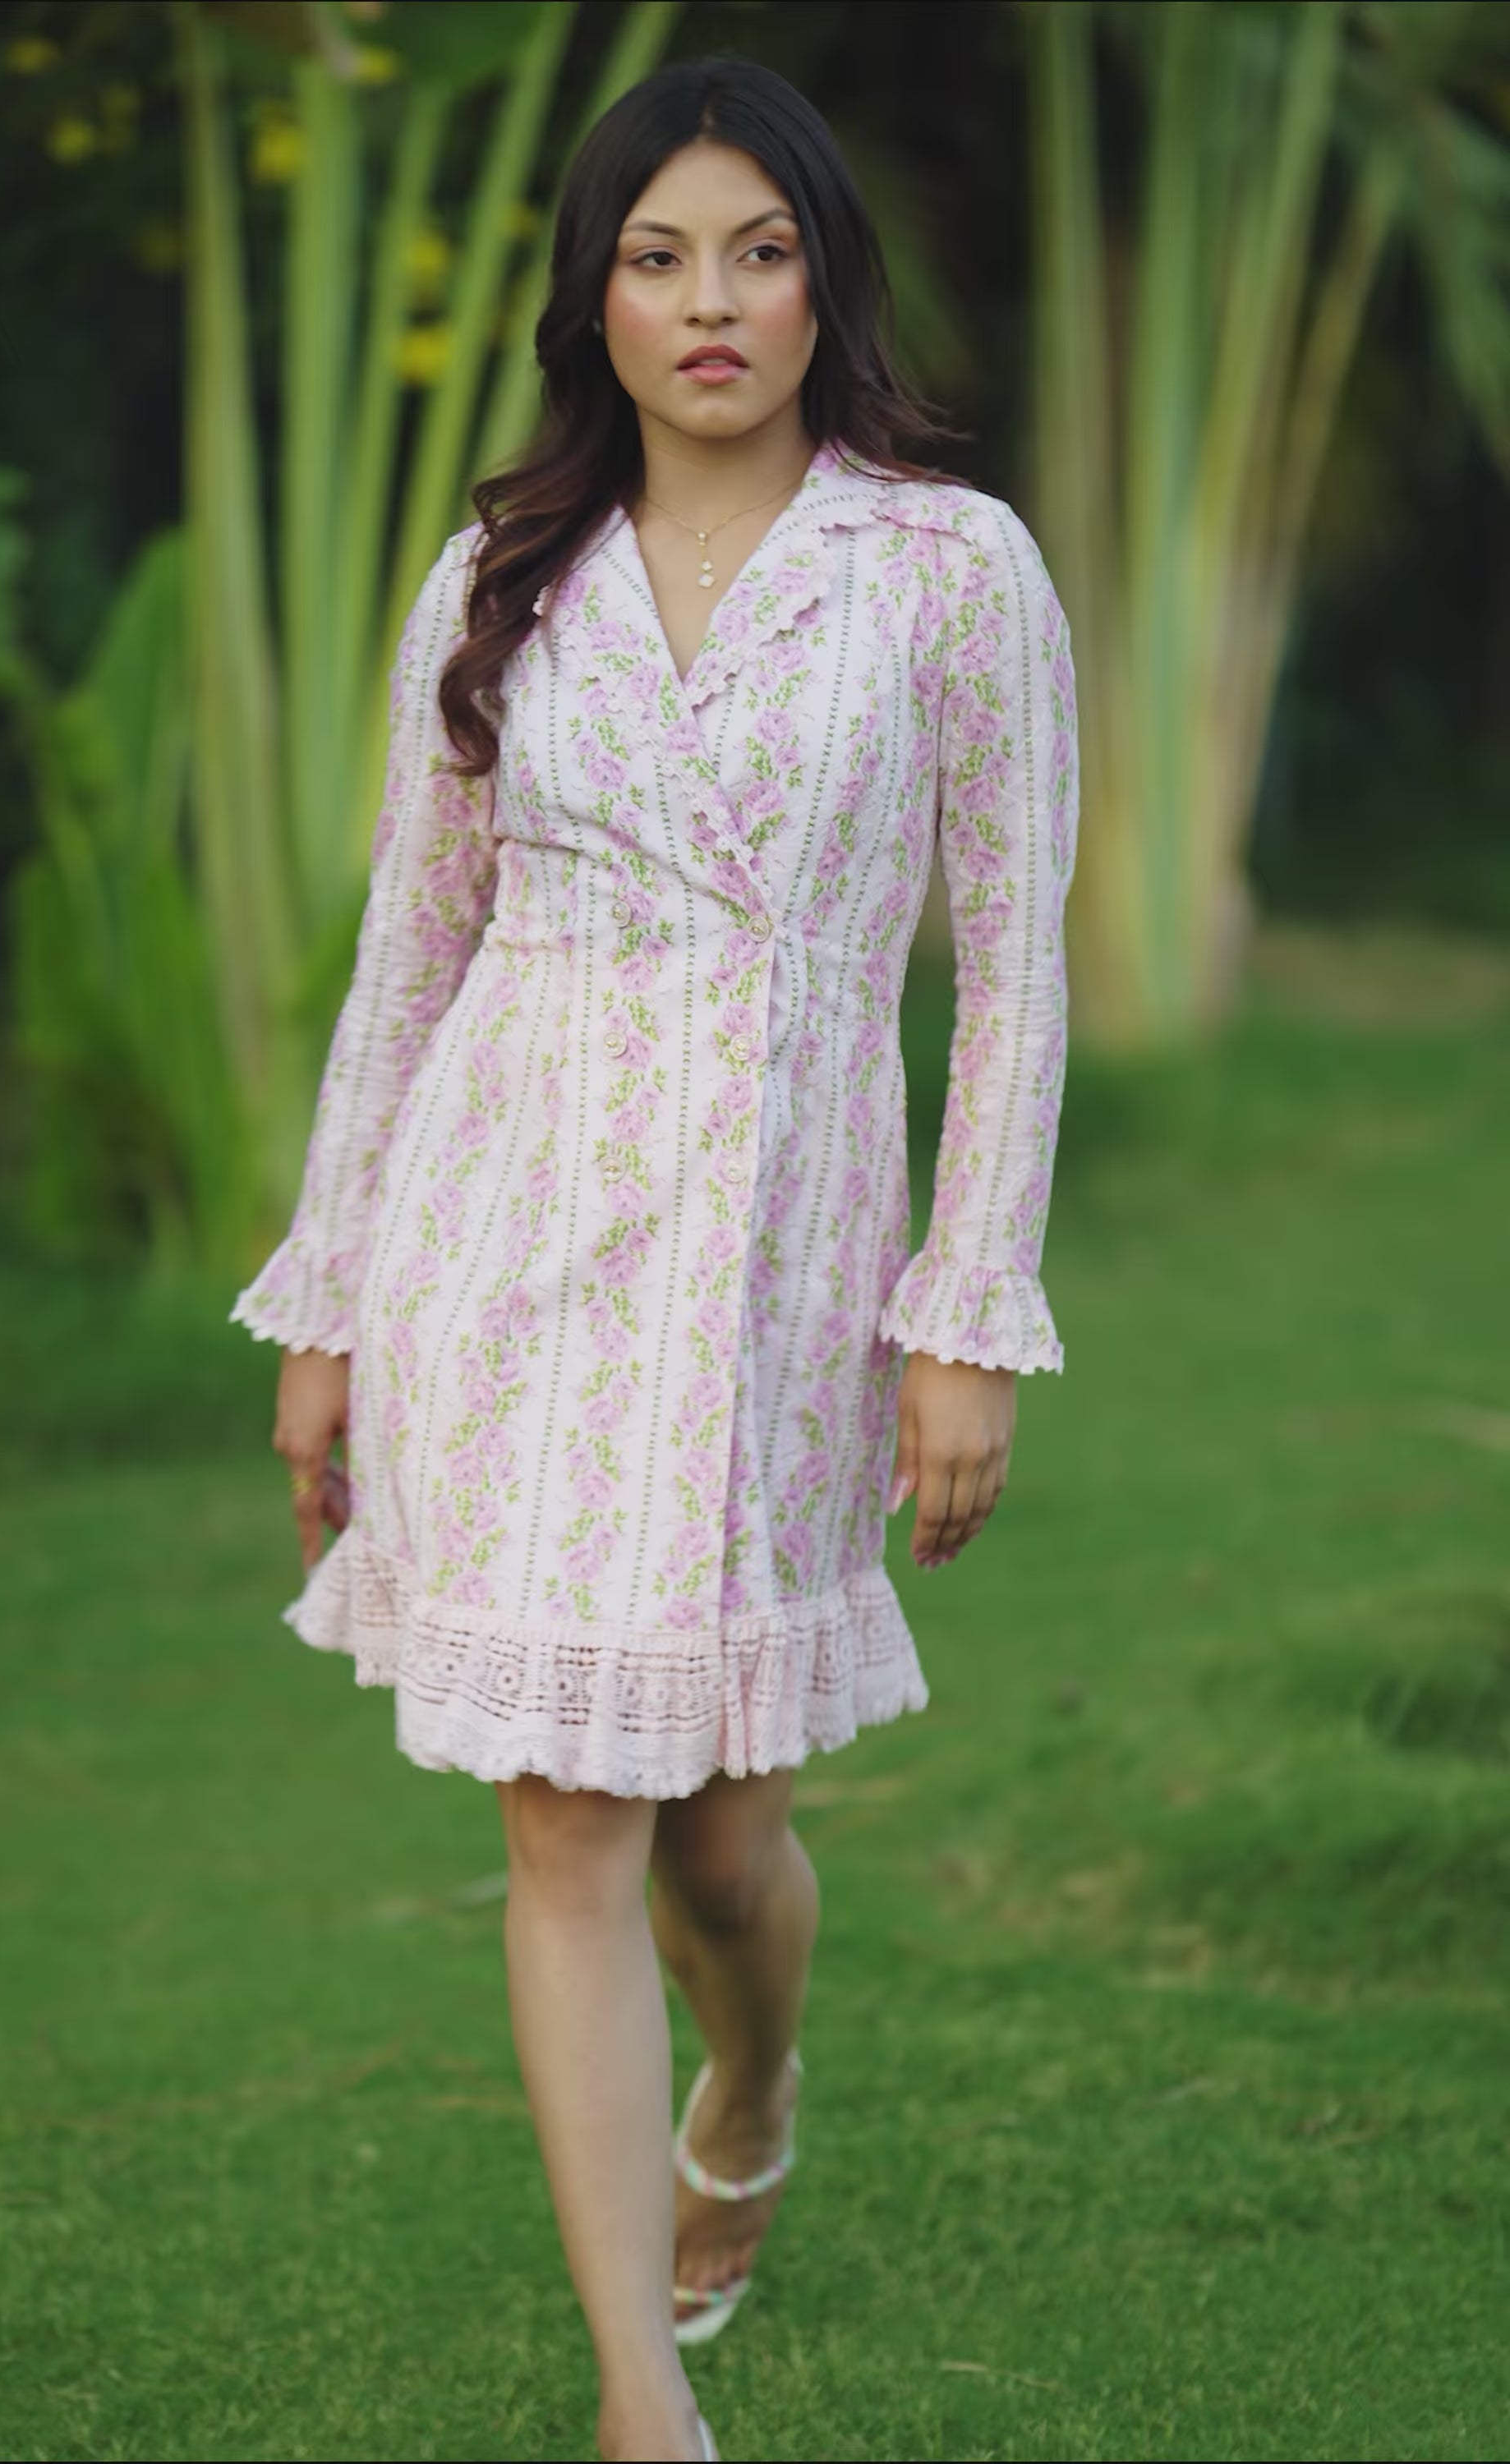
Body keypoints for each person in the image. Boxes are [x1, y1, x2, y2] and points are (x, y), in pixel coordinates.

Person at [231, 52, 1078, 2464]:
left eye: (761, 250)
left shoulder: (948, 570)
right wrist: (331, 1310)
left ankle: (757, 2069)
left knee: (722, 1827)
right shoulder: (501, 575)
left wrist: (962, 1320)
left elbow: (1012, 967)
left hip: (791, 1266)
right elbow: (414, 958)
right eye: (656, 255)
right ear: (592, 299)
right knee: (562, 1815)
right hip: (504, 1234)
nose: (709, 302)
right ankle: (639, 2404)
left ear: (828, 280)